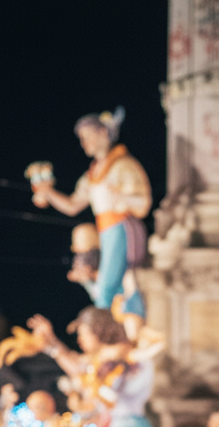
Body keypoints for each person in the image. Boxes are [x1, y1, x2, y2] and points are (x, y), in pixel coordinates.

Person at [30, 107, 151, 326]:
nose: (84, 143)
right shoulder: (93, 174)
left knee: (109, 287)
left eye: (87, 137)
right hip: (106, 230)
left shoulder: (123, 165)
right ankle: (119, 326)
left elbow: (143, 205)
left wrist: (122, 199)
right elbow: (73, 205)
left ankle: (108, 332)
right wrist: (48, 192)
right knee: (113, 286)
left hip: (122, 228)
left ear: (104, 133)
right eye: (82, 139)